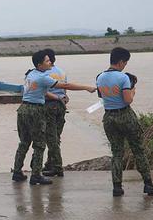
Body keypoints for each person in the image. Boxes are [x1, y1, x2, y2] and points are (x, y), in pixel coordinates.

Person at [12, 50, 97, 185]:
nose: (50, 62)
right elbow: (66, 86)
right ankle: (36, 175)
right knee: (39, 145)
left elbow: (44, 91)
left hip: (23, 109)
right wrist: (87, 87)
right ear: (40, 64)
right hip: (35, 110)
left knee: (24, 142)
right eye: (47, 61)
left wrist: (57, 97)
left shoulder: (31, 74)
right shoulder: (43, 77)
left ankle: (17, 172)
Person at [96, 47, 153, 197]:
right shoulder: (123, 78)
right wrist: (133, 90)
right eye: (125, 63)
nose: (125, 66)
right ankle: (148, 184)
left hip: (109, 117)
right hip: (125, 115)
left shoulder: (99, 77)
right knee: (138, 150)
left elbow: (101, 96)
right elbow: (127, 99)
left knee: (116, 152)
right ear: (121, 61)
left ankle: (117, 187)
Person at [42, 48, 69, 177]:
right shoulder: (62, 72)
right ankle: (49, 163)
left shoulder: (45, 73)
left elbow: (43, 91)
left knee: (51, 138)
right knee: (56, 137)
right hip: (61, 105)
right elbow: (65, 90)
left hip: (50, 105)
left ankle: (57, 166)